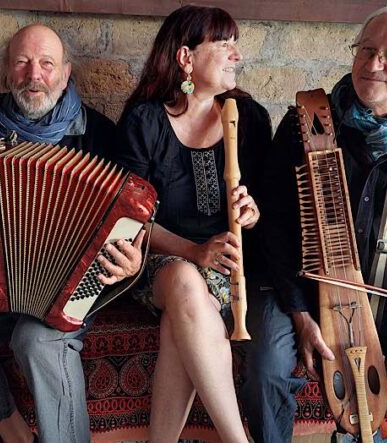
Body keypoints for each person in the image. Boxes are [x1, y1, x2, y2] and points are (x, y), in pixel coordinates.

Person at [0, 24, 144, 443]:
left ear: (65, 72)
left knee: (36, 340)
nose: (34, 74)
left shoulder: (98, 133)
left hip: (72, 277)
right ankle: (14, 434)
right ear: (8, 72)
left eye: (46, 63)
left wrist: (132, 259)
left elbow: (131, 216)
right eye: (23, 62)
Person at [259, 4, 387, 442]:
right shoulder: (305, 123)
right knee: (267, 373)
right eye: (366, 49)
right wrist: (299, 313)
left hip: (380, 296)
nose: (373, 64)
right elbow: (271, 223)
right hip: (297, 289)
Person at [115, 6, 278, 442]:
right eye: (224, 45)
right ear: (186, 58)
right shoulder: (144, 121)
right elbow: (128, 219)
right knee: (186, 282)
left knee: (180, 322)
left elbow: (268, 204)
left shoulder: (250, 118)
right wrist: (192, 250)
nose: (236, 56)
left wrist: (252, 210)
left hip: (227, 270)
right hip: (156, 259)